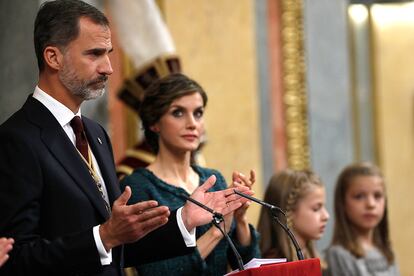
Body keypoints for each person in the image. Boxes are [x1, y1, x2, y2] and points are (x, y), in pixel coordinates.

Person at [0, 1, 250, 275]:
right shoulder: (17, 139)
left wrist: (184, 220)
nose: (108, 68)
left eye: (108, 53)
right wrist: (103, 236)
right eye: (94, 54)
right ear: (53, 57)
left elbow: (119, 247)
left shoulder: (95, 134)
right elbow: (15, 259)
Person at [120, 73, 261, 275]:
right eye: (178, 113)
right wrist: (216, 232)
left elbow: (249, 264)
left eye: (198, 113)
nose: (192, 123)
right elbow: (156, 272)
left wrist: (239, 219)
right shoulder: (137, 187)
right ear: (154, 123)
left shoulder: (213, 179)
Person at [324, 162, 399, 276]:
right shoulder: (338, 255)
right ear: (343, 203)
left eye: (377, 196)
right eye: (359, 196)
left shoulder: (387, 252)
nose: (371, 204)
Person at [257, 170, 329, 264]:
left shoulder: (311, 257)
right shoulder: (273, 266)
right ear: (288, 212)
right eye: (316, 208)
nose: (326, 216)